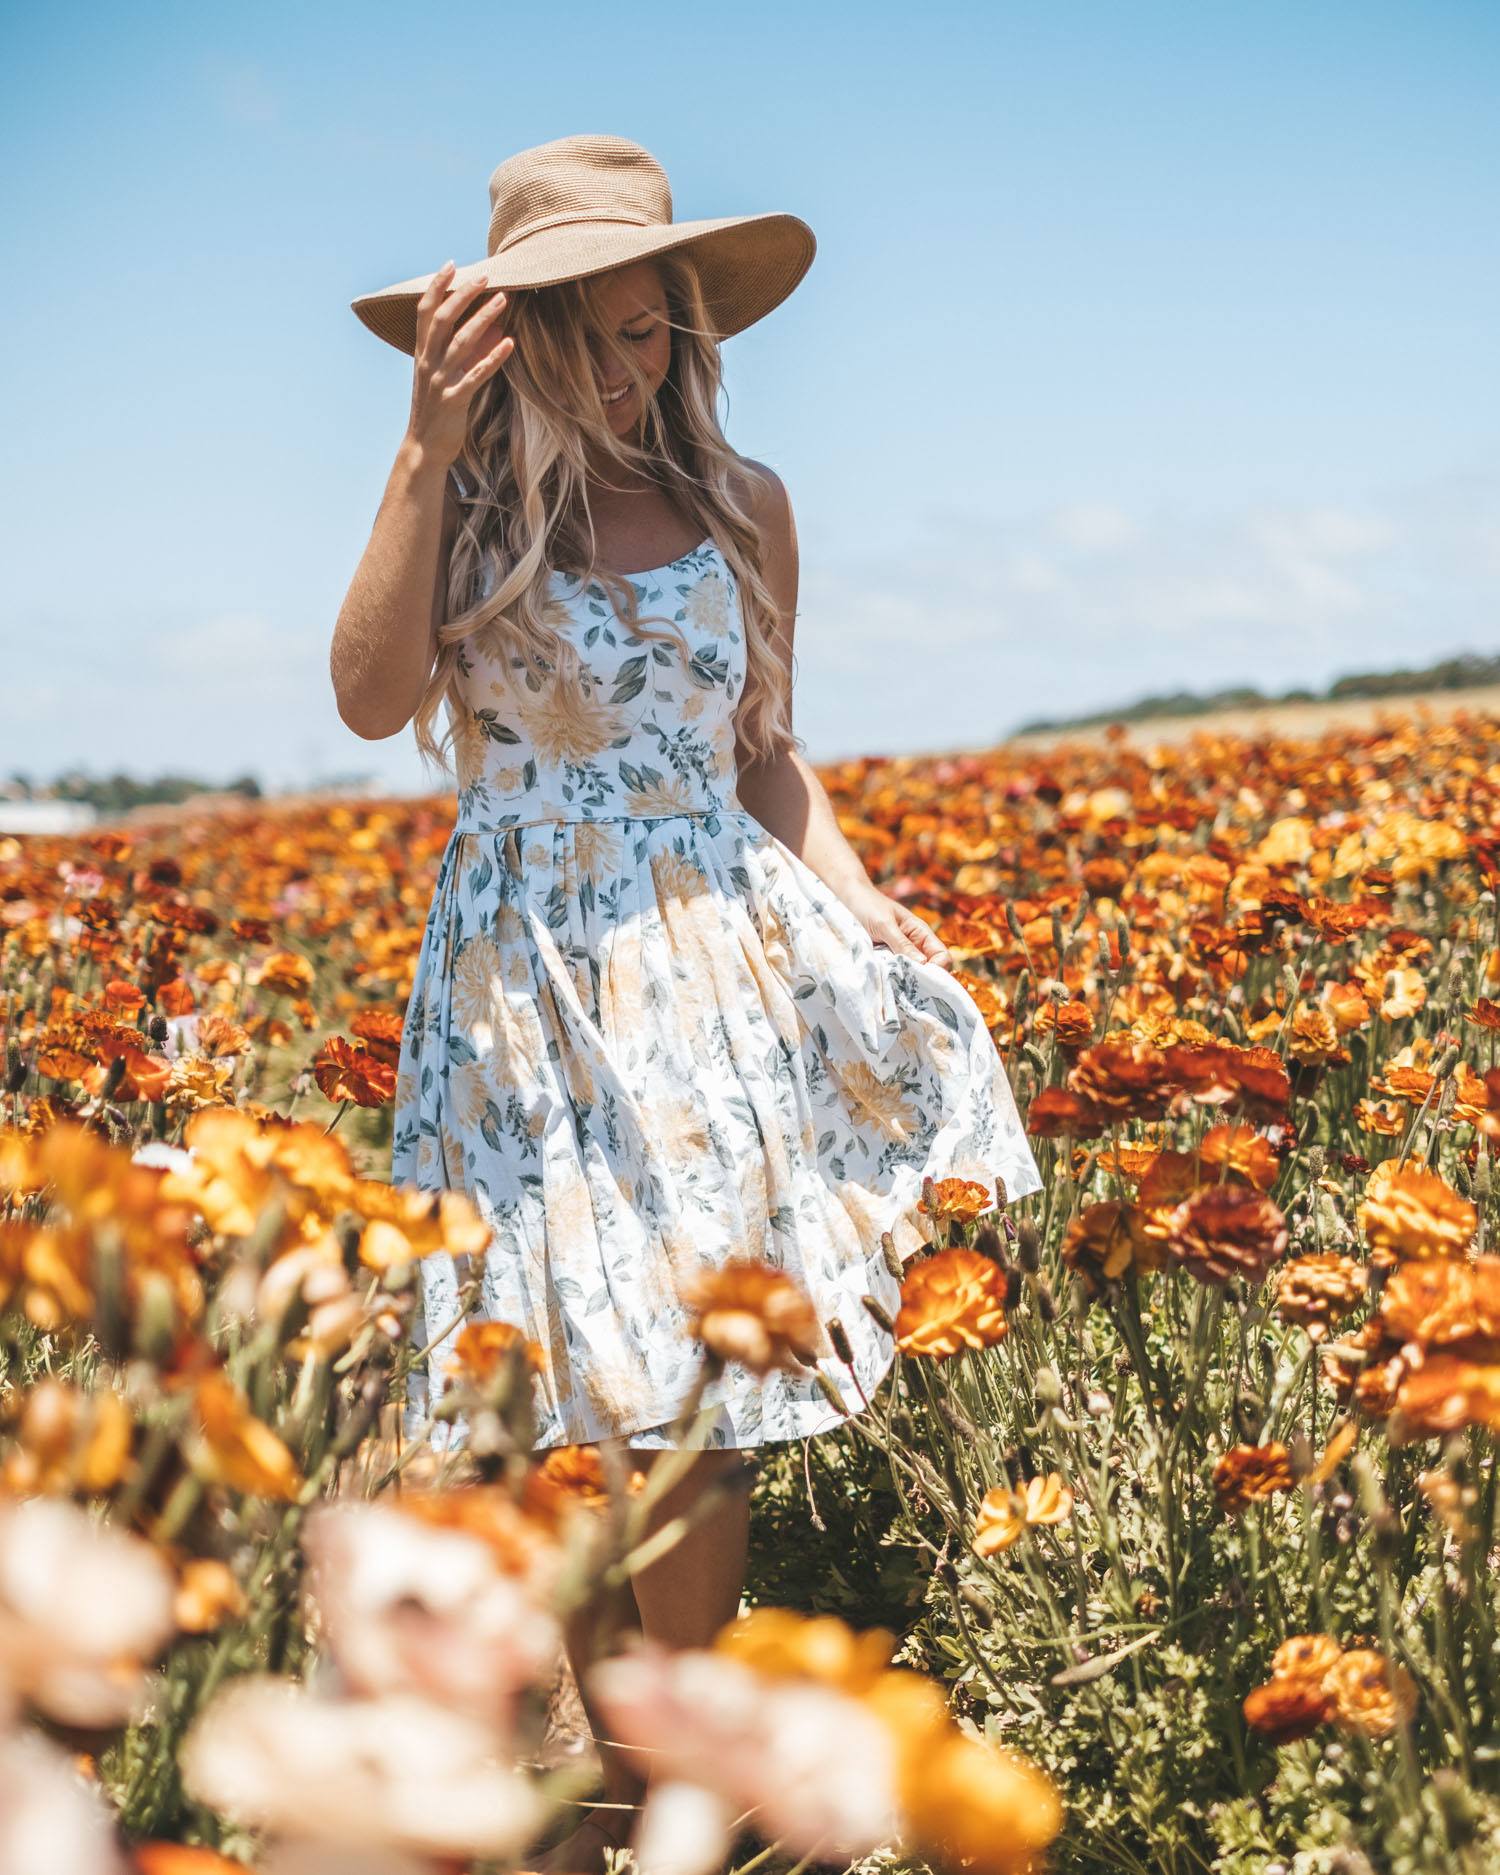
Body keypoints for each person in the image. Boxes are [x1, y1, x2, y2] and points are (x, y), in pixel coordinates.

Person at [332, 133, 1042, 1872]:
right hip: (523, 982)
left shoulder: (745, 506)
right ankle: (633, 1778)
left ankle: (678, 1772)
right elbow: (364, 700)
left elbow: (764, 758)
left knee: (698, 1382)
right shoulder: (469, 501)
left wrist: (866, 902)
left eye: (653, 329)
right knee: (576, 1390)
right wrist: (426, 444)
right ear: (509, 332)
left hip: (708, 959)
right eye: (588, 328)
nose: (627, 362)